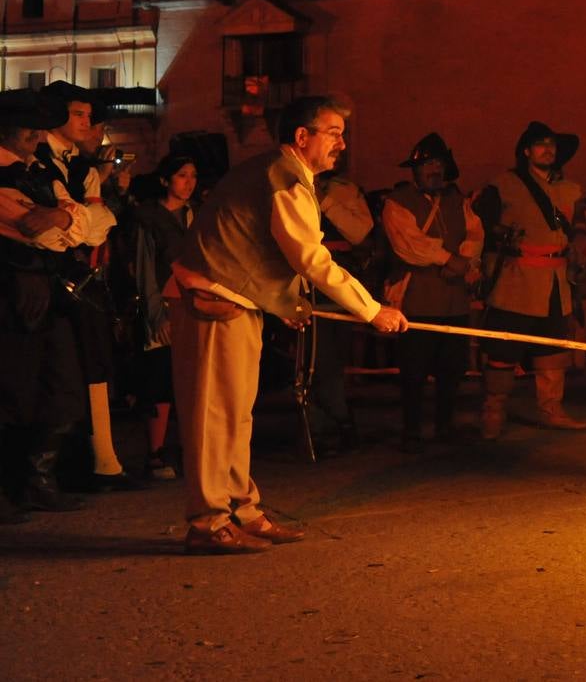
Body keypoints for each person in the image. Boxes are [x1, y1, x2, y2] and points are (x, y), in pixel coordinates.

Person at [166, 95, 408, 554]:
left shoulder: (283, 174)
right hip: (212, 298)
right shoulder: (284, 178)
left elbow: (268, 252)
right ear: (303, 136)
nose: (342, 143)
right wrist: (372, 310)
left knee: (235, 413)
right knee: (213, 415)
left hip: (232, 299)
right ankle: (207, 521)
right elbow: (310, 259)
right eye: (333, 132)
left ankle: (242, 509)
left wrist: (285, 304)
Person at [33, 82, 144, 493]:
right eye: (79, 114)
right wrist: (82, 221)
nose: (88, 122)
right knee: (58, 376)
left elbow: (99, 226)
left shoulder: (79, 166)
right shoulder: (39, 162)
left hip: (80, 279)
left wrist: (82, 219)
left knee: (93, 367)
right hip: (51, 279)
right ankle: (70, 468)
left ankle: (100, 462)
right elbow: (81, 226)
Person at [0, 90, 93, 520]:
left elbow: (83, 224)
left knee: (63, 388)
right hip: (10, 289)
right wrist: (61, 219)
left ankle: (37, 481)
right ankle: (13, 487)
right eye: (28, 125)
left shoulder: (37, 172)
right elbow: (34, 230)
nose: (37, 133)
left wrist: (59, 215)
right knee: (12, 391)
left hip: (45, 289)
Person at [472, 121, 586, 438]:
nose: (547, 149)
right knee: (503, 352)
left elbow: (578, 223)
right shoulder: (504, 185)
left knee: (552, 350)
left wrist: (579, 238)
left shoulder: (570, 188)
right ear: (526, 151)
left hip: (556, 282)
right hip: (516, 281)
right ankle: (493, 411)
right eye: (540, 144)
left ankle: (551, 409)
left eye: (551, 144)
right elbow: (480, 225)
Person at [382, 133, 483, 451]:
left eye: (438, 163)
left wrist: (465, 259)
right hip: (418, 299)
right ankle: (412, 430)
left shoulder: (458, 199)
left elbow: (475, 232)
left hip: (454, 300)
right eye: (427, 164)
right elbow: (409, 245)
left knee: (451, 370)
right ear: (416, 170)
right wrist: (448, 258)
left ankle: (444, 426)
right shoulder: (397, 203)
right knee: (413, 372)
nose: (433, 170)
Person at [124, 154, 199, 479]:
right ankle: (155, 452)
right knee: (159, 381)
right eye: (182, 176)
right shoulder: (149, 218)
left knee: (192, 381)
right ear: (166, 180)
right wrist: (157, 316)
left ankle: (191, 451)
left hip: (193, 306)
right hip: (164, 307)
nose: (189, 182)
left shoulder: (196, 215)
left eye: (193, 176)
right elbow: (145, 269)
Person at [310, 159, 379, 454]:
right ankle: (326, 425)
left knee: (332, 359)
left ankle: (337, 423)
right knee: (312, 359)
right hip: (305, 285)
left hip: (338, 283)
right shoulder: (291, 186)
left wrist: (324, 201)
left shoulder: (345, 190)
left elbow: (359, 233)